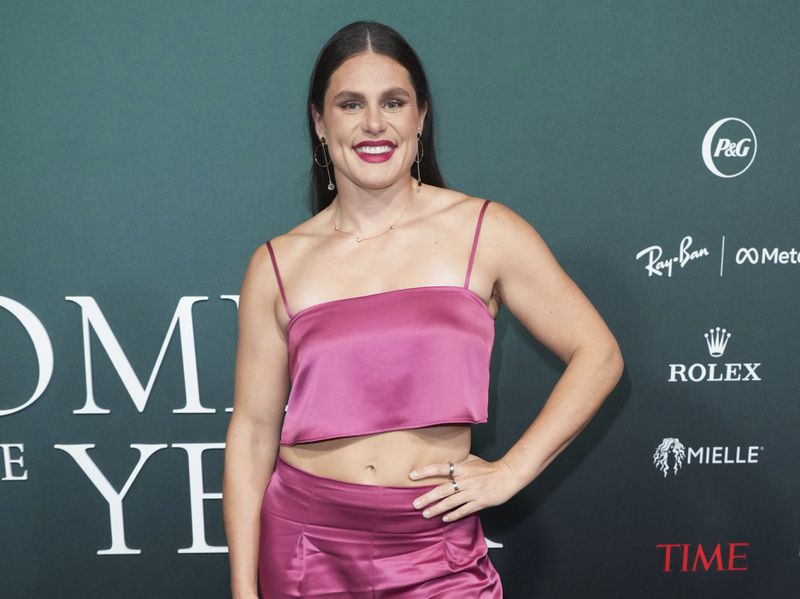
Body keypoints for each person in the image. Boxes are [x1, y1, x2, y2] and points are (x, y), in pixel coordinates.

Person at [223, 20, 624, 599]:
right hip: (305, 545)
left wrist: (511, 471)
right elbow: (254, 430)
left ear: (420, 116)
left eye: (393, 102)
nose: (374, 124)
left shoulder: (486, 231)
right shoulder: (277, 263)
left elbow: (599, 354)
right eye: (350, 104)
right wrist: (243, 590)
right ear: (319, 122)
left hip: (435, 550)